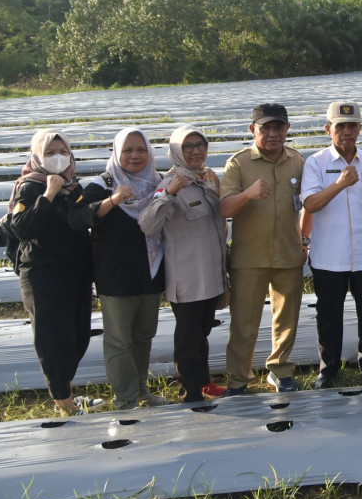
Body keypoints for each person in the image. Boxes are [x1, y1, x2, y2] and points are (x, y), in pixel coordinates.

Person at [7, 130, 102, 415]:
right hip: (44, 274)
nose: (58, 158)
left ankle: (66, 392)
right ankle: (64, 402)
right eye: (50, 153)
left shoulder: (74, 187)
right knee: (53, 339)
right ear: (37, 156)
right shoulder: (30, 187)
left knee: (78, 335)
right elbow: (22, 228)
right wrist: (48, 193)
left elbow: (82, 220)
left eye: (63, 152)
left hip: (75, 272)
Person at [71, 128, 167, 410]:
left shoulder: (158, 182)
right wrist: (112, 201)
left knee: (143, 335)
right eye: (128, 150)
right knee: (119, 340)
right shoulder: (102, 184)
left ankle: (141, 390)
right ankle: (125, 399)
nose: (135, 155)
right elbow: (76, 218)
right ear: (116, 152)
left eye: (141, 149)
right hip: (116, 275)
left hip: (150, 272)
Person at [301, 101, 362, 388]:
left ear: (361, 129)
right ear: (329, 129)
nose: (347, 132)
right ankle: (328, 369)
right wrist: (339, 184)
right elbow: (310, 204)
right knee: (328, 316)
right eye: (341, 126)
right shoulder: (316, 163)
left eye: (353, 126)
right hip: (329, 256)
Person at [138, 125, 229, 402]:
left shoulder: (208, 179)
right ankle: (190, 390)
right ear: (177, 151)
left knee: (202, 331)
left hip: (211, 272)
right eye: (188, 146)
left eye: (200, 145)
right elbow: (147, 224)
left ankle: (204, 381)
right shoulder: (169, 183)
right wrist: (168, 194)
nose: (195, 151)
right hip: (187, 276)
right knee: (189, 337)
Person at [220, 103, 306, 394]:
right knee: (244, 324)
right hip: (249, 257)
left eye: (278, 127)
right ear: (252, 130)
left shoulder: (297, 161)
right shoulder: (238, 164)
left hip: (288, 253)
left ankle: (279, 370)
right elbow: (223, 208)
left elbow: (309, 204)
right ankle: (238, 379)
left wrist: (304, 240)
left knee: (287, 318)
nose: (272, 134)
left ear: (287, 130)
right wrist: (248, 194)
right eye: (265, 128)